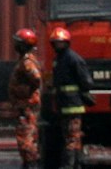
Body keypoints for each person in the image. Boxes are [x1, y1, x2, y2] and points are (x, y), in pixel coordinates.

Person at [45, 26, 92, 169]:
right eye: (55, 42)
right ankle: (78, 163)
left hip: (73, 105)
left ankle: (68, 165)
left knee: (71, 138)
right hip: (63, 105)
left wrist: (83, 92)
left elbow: (86, 81)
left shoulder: (73, 59)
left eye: (60, 42)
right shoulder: (58, 59)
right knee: (71, 136)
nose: (58, 45)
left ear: (66, 42)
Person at [9, 28, 44, 169]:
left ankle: (31, 164)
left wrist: (24, 90)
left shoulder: (27, 62)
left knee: (26, 138)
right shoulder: (24, 60)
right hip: (23, 105)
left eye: (18, 43)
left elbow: (36, 78)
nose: (15, 45)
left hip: (27, 105)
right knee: (24, 137)